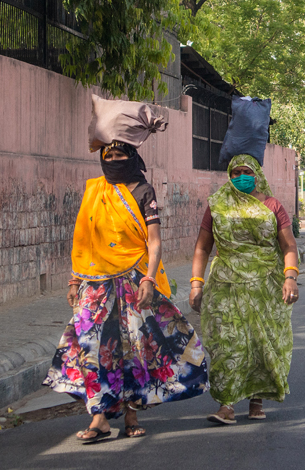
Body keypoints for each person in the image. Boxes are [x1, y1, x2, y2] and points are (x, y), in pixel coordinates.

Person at [44, 141, 209, 443]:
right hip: (95, 283)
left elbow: (154, 242)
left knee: (133, 348)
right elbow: (83, 239)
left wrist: (148, 278)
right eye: (109, 155)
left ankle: (131, 415)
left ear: (132, 157)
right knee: (91, 346)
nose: (115, 159)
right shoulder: (95, 190)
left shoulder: (144, 192)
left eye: (121, 154)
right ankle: (100, 417)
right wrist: (73, 280)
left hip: (134, 279)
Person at [190, 154, 299, 424]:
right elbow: (202, 247)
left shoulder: (272, 206)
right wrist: (195, 283)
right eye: (235, 172)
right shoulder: (217, 206)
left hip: (266, 286)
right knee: (227, 343)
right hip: (225, 284)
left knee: (262, 342)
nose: (241, 177)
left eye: (246, 171)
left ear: (257, 175)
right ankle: (226, 405)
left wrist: (290, 277)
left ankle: (256, 398)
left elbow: (288, 246)